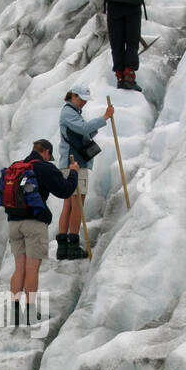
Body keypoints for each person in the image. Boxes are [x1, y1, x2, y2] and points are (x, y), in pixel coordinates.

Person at [1, 139, 79, 324]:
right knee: (31, 269)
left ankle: (15, 313)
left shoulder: (16, 167)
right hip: (34, 224)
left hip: (13, 223)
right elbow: (65, 190)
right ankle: (29, 314)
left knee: (19, 268)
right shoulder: (44, 168)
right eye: (48, 156)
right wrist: (74, 173)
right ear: (46, 152)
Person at [56, 85, 114, 260]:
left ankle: (63, 247)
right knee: (77, 204)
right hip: (75, 164)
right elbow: (83, 129)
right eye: (80, 99)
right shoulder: (68, 112)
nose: (82, 103)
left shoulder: (72, 113)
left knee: (69, 204)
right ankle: (72, 245)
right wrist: (104, 117)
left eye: (84, 100)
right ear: (72, 96)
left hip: (70, 163)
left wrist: (98, 124)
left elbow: (83, 131)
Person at [91, 0, 148, 91]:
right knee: (132, 41)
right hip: (133, 8)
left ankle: (119, 77)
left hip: (114, 6)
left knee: (117, 43)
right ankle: (129, 76)